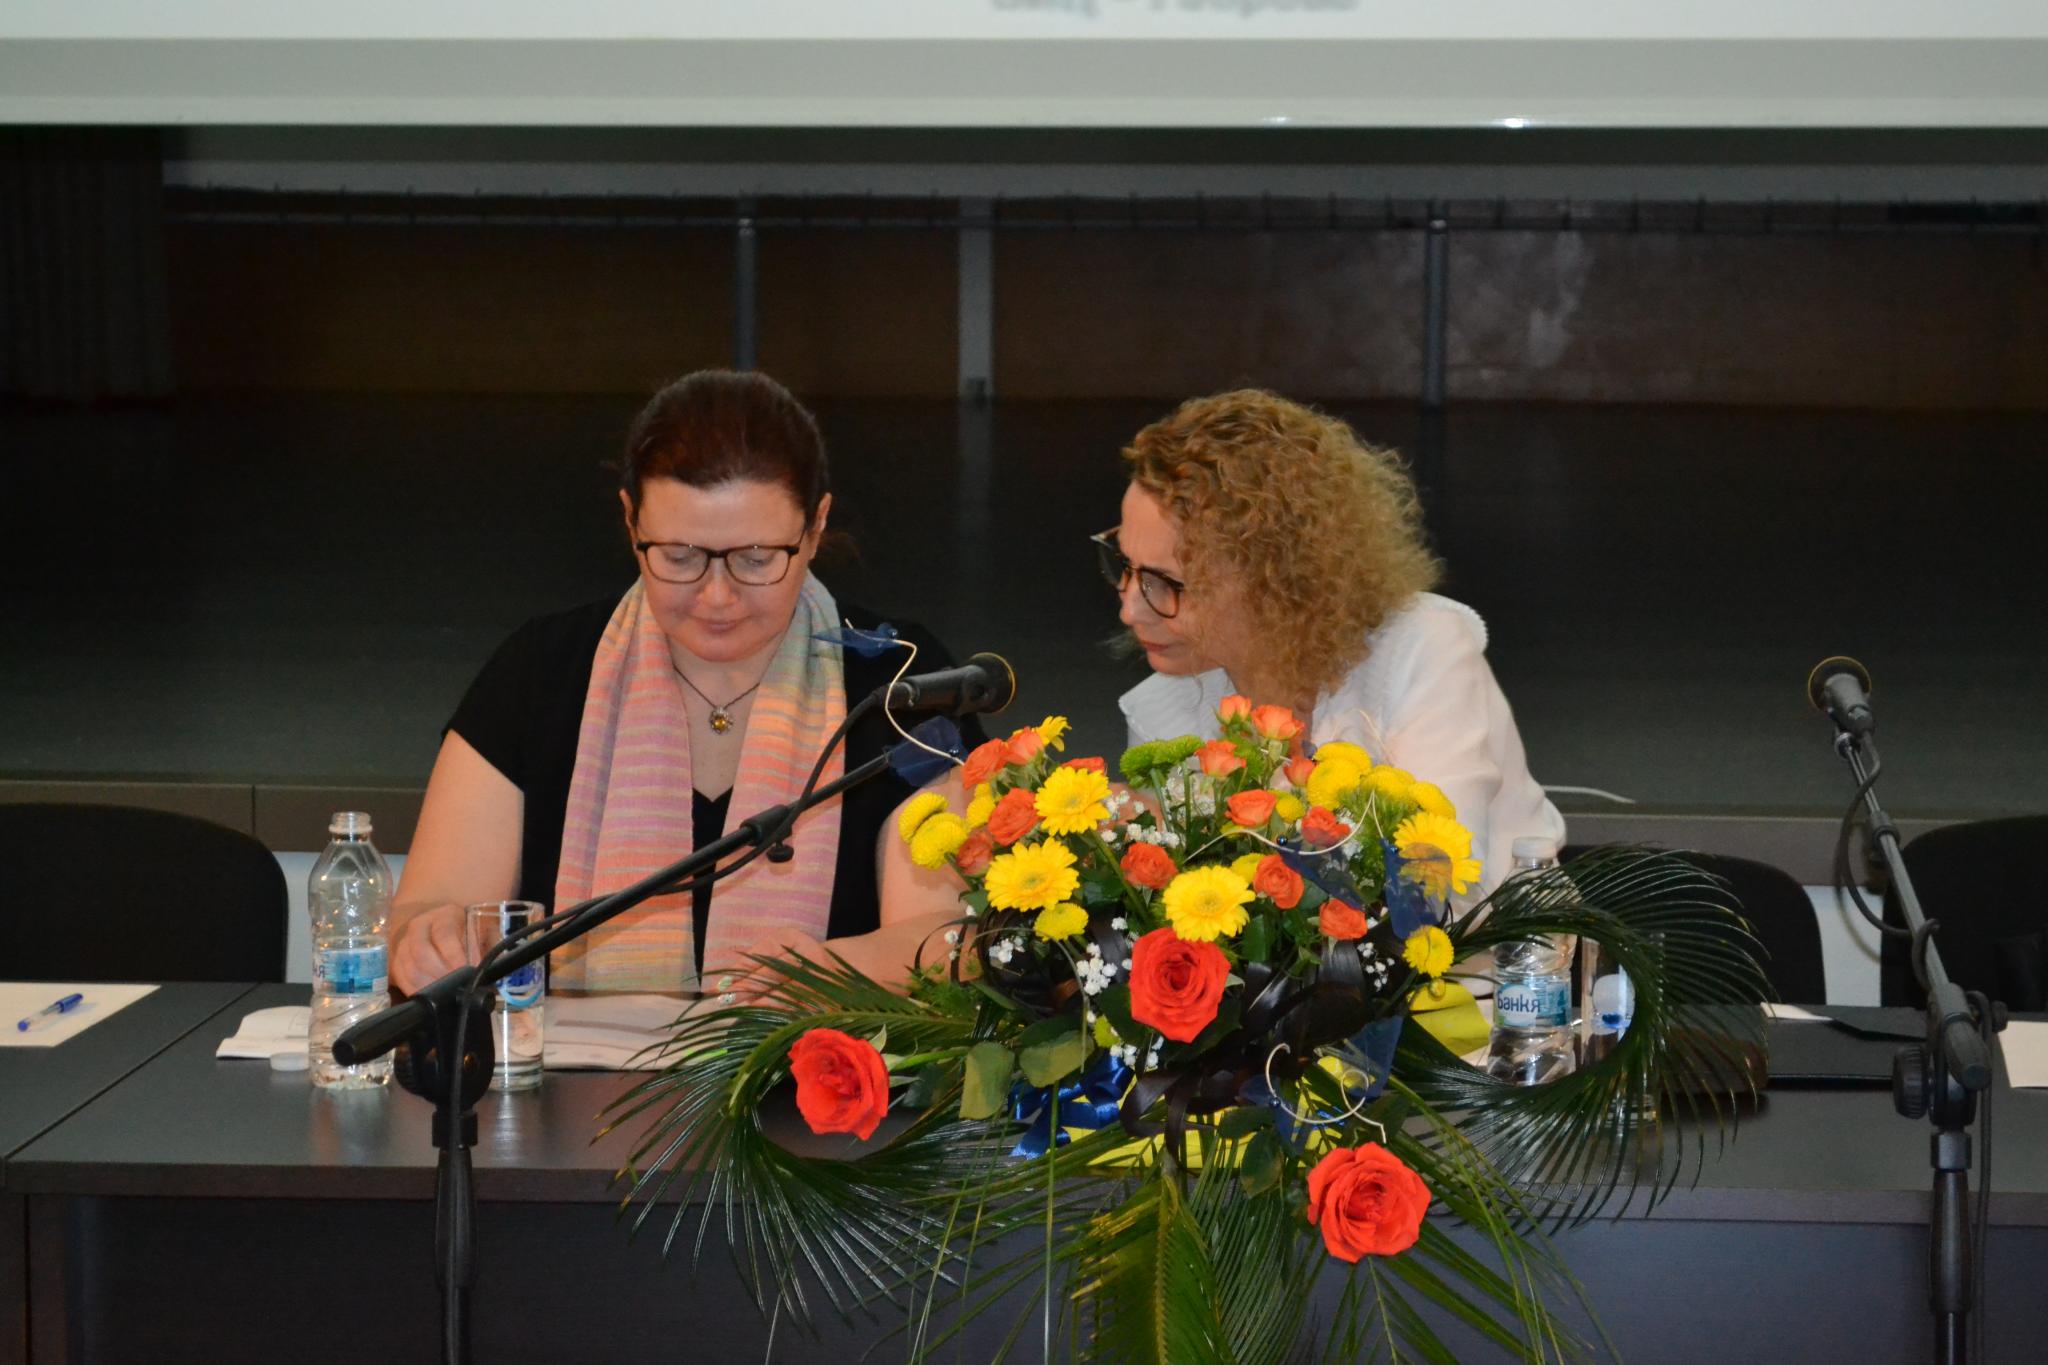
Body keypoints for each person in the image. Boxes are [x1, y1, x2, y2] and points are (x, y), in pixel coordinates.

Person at [389, 370, 980, 996]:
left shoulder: (902, 682)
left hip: (822, 1058)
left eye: (755, 559)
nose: (716, 596)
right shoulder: (541, 673)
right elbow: (424, 910)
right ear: (631, 522)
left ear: (814, 528)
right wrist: (426, 943)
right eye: (679, 557)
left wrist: (828, 973)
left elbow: (948, 939)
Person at [1103, 388, 1563, 899]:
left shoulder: (1425, 651)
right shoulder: (1167, 705)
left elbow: (1440, 888)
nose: (1130, 609)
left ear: (1275, 582)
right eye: (1124, 565)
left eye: (1167, 583)